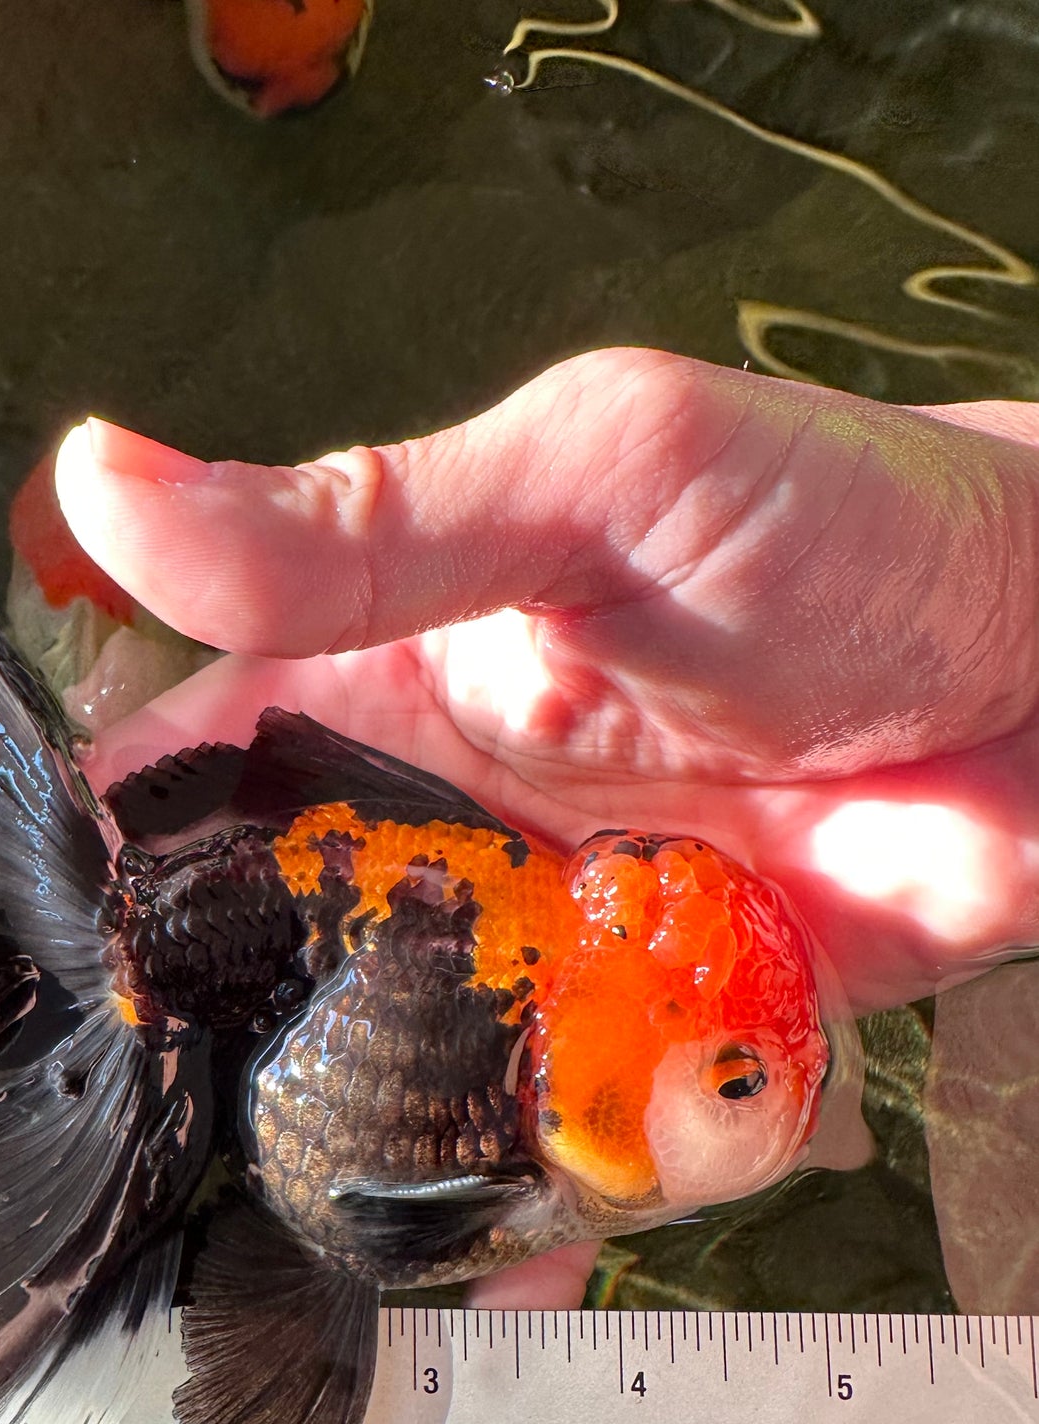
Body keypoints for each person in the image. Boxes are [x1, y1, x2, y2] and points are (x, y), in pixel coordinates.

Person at [51, 345, 1039, 1308]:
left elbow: (381, 1218)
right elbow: (387, 1220)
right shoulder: (524, 1106)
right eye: (735, 1079)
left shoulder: (546, 956)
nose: (808, 1081)